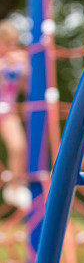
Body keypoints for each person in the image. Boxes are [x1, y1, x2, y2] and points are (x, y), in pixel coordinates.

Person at [0, 19, 31, 210]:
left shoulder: (17, 59)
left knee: (19, 146)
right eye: (6, 43)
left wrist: (25, 69)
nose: (10, 47)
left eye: (13, 43)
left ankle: (14, 187)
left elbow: (27, 89)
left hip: (6, 110)